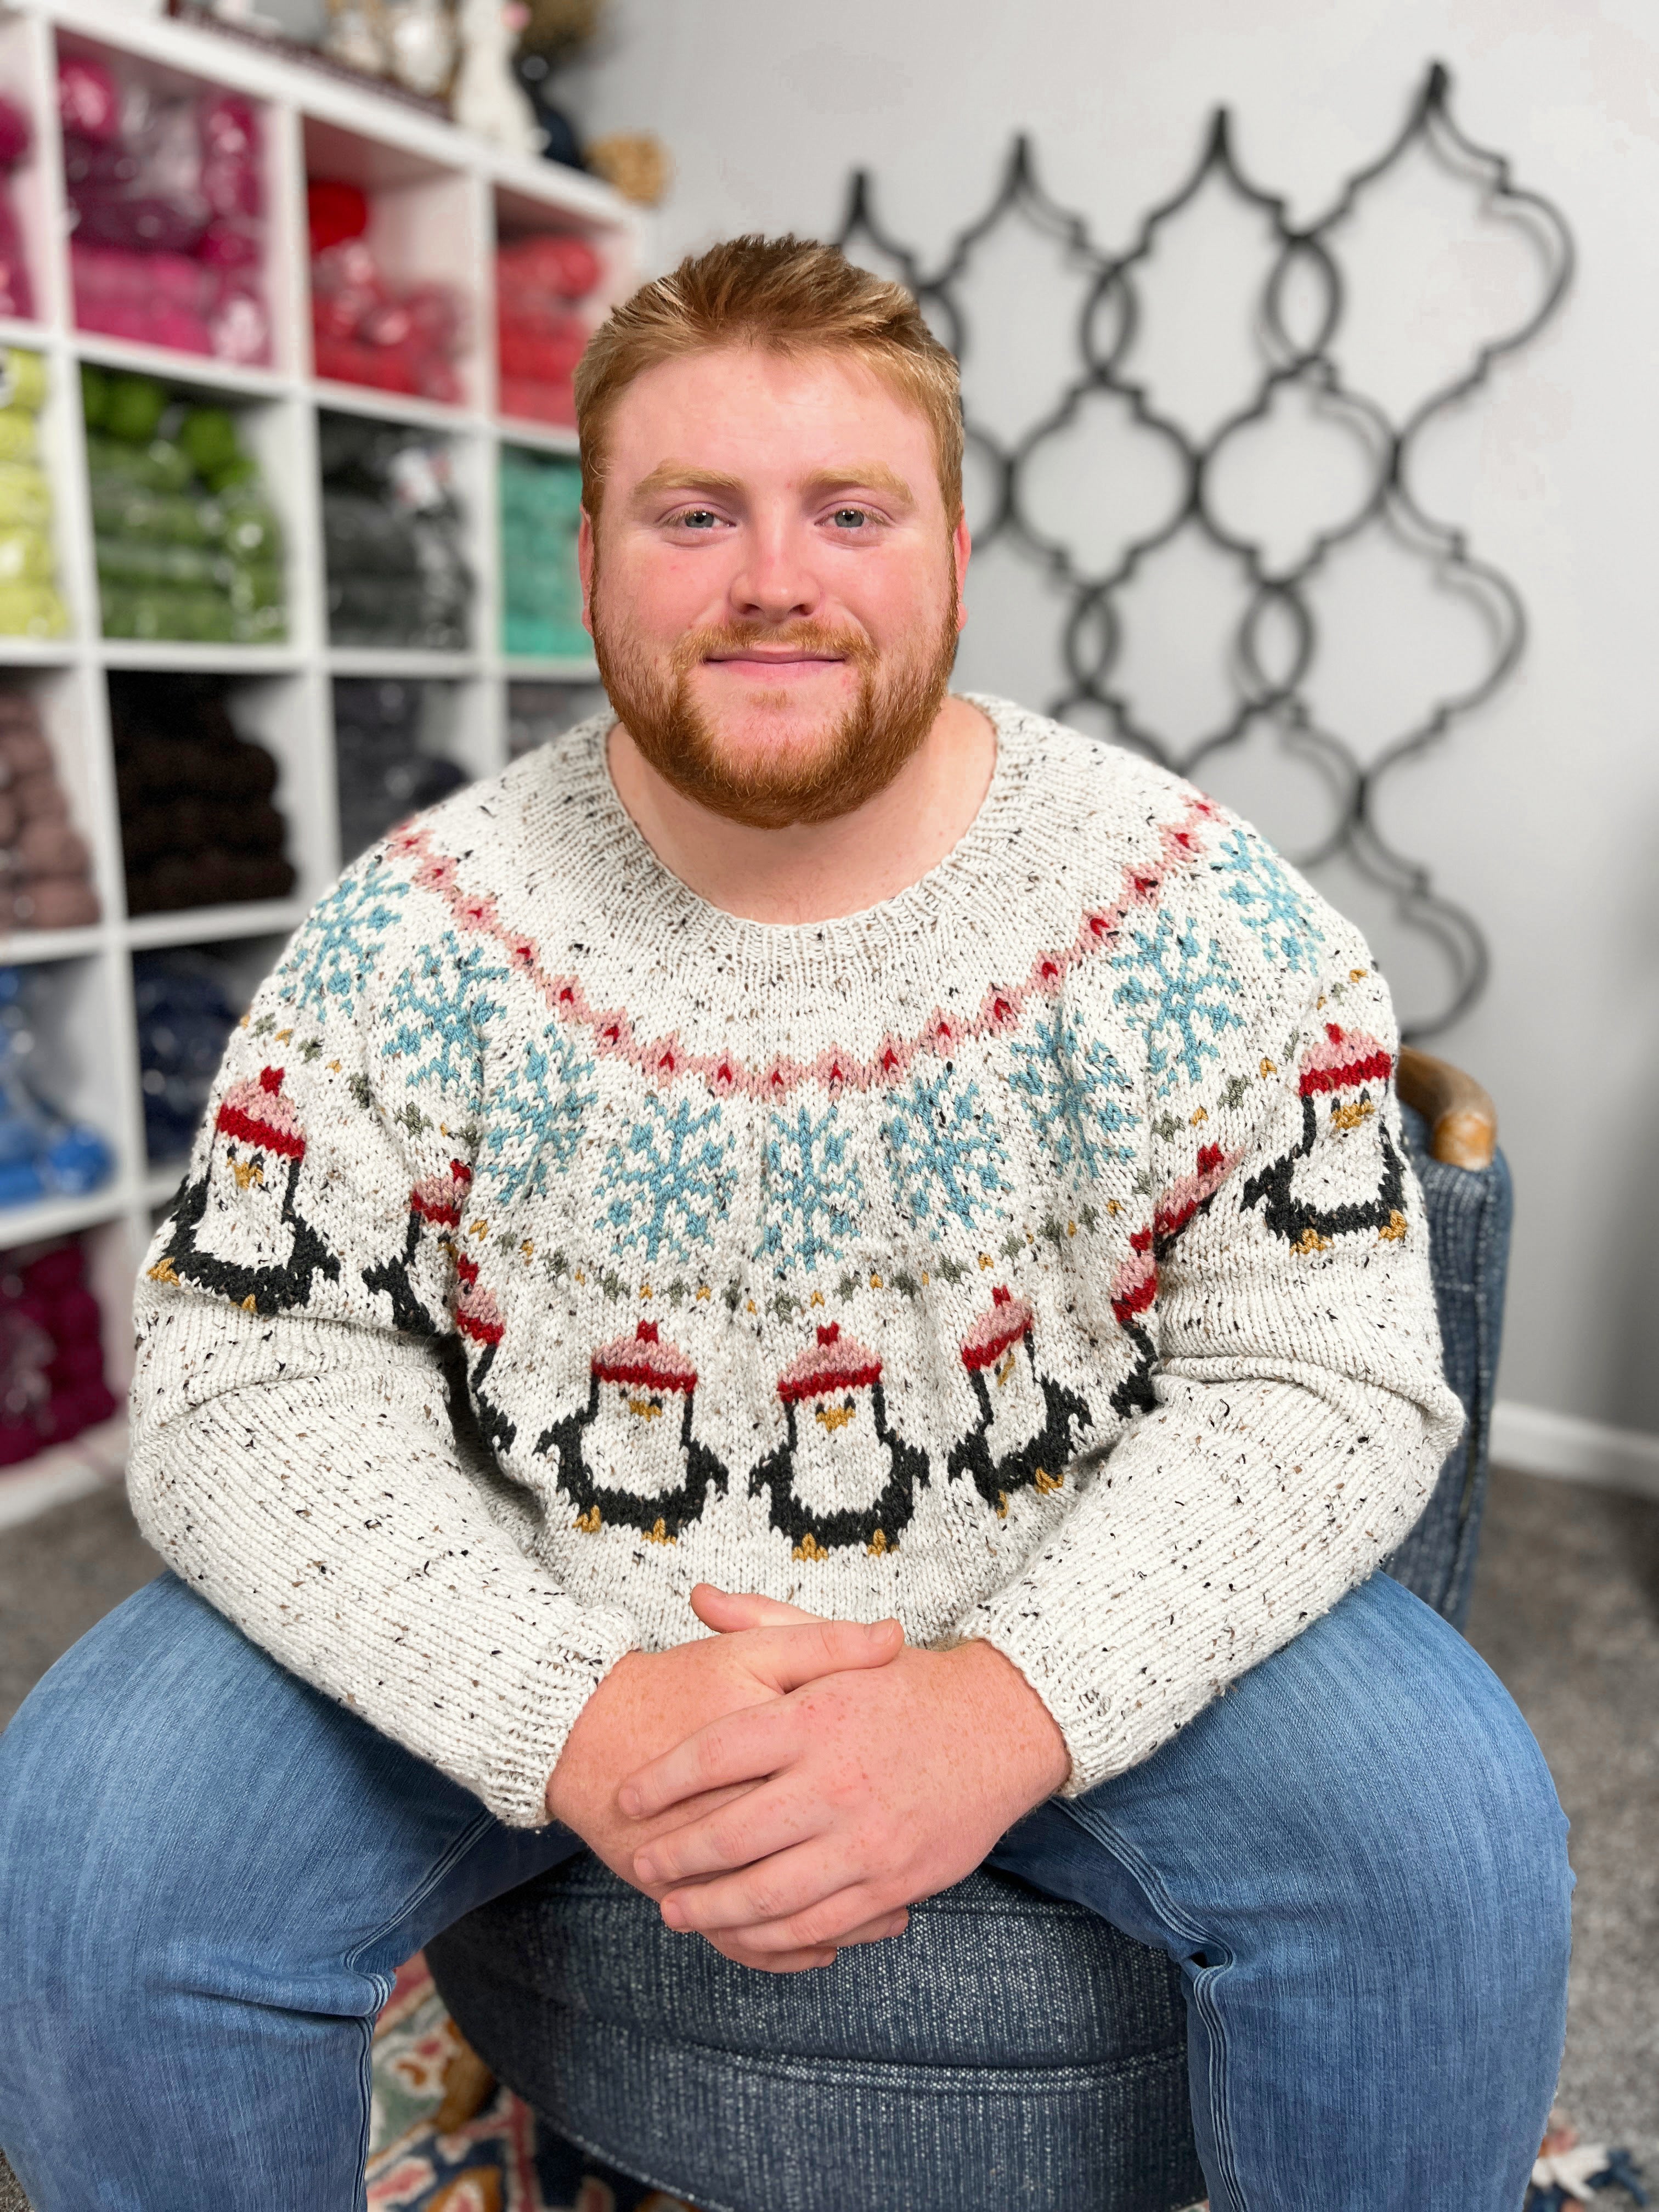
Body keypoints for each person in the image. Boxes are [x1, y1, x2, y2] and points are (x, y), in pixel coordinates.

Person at [0, 236, 1569, 2210]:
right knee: (90, 1838)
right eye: (695, 513)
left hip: (1055, 1568)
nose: (773, 577)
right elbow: (247, 1381)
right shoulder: (417, 936)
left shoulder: (1199, 916)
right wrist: (565, 1712)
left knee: (1451, 1839)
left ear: (953, 553)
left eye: (848, 510)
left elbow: (1324, 1367)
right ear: (585, 561)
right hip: (546, 1584)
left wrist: (1002, 1707)